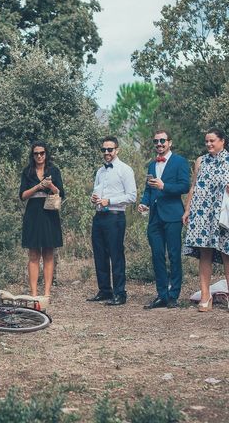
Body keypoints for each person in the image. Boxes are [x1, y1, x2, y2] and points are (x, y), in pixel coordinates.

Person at [138, 130, 190, 309]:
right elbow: (148, 189)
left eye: (162, 140)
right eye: (156, 141)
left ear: (170, 142)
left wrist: (164, 186)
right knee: (157, 255)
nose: (159, 144)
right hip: (154, 217)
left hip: (173, 215)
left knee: (174, 256)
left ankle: (174, 296)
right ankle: (162, 295)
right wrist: (144, 203)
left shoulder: (180, 162)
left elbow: (185, 186)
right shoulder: (152, 165)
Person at [183, 128, 229, 312]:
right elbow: (193, 187)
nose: (209, 144)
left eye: (212, 141)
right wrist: (187, 210)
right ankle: (205, 296)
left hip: (222, 215)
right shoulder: (200, 161)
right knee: (205, 254)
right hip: (201, 214)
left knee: (227, 255)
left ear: (222, 141)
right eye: (207, 141)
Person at [87, 136, 137, 306]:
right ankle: (104, 290)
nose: (106, 153)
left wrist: (110, 201)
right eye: (104, 150)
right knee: (99, 254)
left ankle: (120, 293)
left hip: (115, 217)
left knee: (116, 254)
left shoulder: (125, 170)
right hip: (99, 216)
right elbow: (97, 192)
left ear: (117, 150)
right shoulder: (100, 171)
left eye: (110, 149)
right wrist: (94, 199)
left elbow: (132, 196)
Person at [19, 141, 64, 300]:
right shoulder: (27, 172)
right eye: (36, 153)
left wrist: (50, 185)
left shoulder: (54, 170)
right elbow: (23, 196)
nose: (39, 156)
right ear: (32, 155)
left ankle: (46, 293)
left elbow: (61, 193)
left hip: (49, 212)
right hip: (33, 212)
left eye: (42, 153)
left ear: (46, 154)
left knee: (49, 253)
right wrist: (38, 186)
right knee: (33, 253)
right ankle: (33, 293)